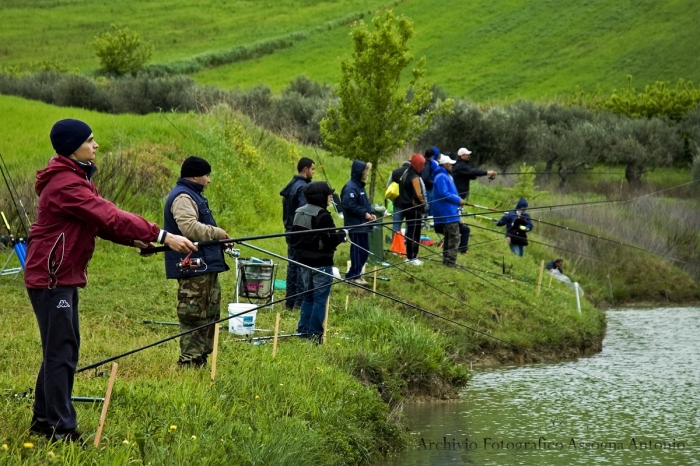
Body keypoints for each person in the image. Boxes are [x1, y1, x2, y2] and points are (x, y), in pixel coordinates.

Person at [24, 119, 195, 442]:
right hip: (51, 276)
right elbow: (109, 214)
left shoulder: (75, 177)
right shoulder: (66, 184)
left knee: (60, 349)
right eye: (90, 140)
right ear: (72, 147)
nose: (96, 145)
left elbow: (100, 223)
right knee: (61, 351)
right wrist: (161, 234)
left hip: (60, 274)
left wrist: (136, 240)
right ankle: (60, 428)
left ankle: (44, 419)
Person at [164, 156, 230, 369]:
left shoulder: (193, 195)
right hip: (193, 268)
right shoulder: (183, 196)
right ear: (194, 175)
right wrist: (218, 233)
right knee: (193, 314)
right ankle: (189, 362)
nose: (208, 180)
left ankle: (200, 358)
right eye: (206, 175)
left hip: (206, 265)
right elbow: (190, 228)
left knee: (209, 313)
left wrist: (220, 244)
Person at [290, 182, 346, 342]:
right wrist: (342, 234)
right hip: (322, 263)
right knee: (320, 300)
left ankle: (303, 331)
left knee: (308, 297)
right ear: (321, 196)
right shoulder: (323, 216)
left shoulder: (299, 212)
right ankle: (315, 335)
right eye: (328, 194)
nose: (330, 197)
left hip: (303, 263)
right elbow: (330, 241)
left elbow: (294, 238)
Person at [280, 157, 314, 310]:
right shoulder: (302, 188)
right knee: (301, 266)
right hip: (299, 231)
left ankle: (290, 302)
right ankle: (299, 302)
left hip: (290, 230)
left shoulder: (292, 184)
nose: (313, 172)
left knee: (292, 266)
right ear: (305, 169)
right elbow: (304, 212)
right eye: (312, 169)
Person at [341, 160, 376, 284]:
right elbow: (349, 205)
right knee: (357, 250)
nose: (366, 174)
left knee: (365, 251)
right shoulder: (350, 187)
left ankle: (356, 273)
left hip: (363, 226)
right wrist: (364, 214)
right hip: (355, 226)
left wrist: (371, 213)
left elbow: (365, 204)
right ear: (359, 172)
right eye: (365, 171)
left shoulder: (360, 186)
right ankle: (353, 276)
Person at [432, 154, 464, 267]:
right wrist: (458, 199)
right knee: (454, 238)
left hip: (449, 211)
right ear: (445, 164)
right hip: (447, 212)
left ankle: (447, 261)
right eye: (450, 164)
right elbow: (444, 194)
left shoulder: (445, 175)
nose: (452, 166)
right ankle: (451, 262)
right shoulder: (441, 176)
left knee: (449, 237)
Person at [395, 154, 427, 265]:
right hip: (414, 209)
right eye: (422, 165)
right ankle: (412, 257)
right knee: (414, 233)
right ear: (418, 164)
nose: (423, 167)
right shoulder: (415, 177)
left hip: (405, 207)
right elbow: (418, 195)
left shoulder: (406, 173)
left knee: (410, 232)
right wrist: (424, 203)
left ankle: (411, 256)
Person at [389, 160, 411, 236]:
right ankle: (407, 241)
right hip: (409, 203)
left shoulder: (395, 172)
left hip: (398, 202)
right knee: (409, 224)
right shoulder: (412, 173)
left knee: (396, 225)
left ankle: (395, 243)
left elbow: (389, 185)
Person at [421, 147, 440, 214]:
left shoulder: (423, 161)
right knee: (429, 206)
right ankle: (428, 219)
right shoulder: (428, 163)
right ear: (432, 156)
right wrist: (434, 183)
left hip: (425, 187)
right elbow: (425, 177)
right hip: (428, 188)